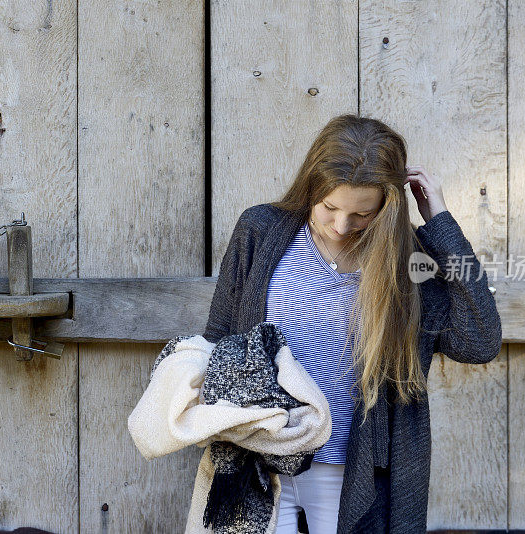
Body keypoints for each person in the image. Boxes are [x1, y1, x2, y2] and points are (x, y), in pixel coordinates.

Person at [202, 114, 503, 533]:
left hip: (350, 469)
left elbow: (481, 341)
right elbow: (218, 338)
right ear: (312, 187)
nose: (343, 226)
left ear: (387, 204)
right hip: (257, 456)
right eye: (330, 208)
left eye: (362, 214)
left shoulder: (410, 258)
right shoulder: (261, 229)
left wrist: (441, 223)